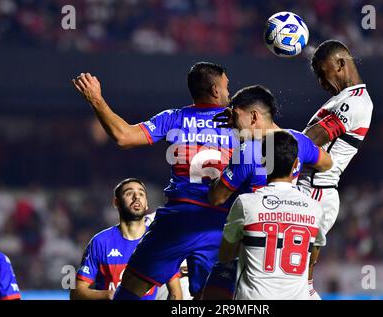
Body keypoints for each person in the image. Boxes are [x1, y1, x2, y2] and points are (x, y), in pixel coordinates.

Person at [72, 62, 238, 299]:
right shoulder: (236, 122)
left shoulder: (174, 118)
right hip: (218, 225)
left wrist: (96, 99)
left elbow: (123, 136)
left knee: (129, 290)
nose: (229, 93)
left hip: (177, 221)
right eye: (226, 86)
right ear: (214, 90)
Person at [203, 85, 332, 299]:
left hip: (249, 248)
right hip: (290, 252)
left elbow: (217, 197)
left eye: (235, 117)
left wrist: (216, 174)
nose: (233, 124)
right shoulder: (297, 142)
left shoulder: (249, 152)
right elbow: (327, 163)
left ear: (254, 116)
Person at [298, 40, 374, 299]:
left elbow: (308, 142)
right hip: (310, 190)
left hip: (314, 192)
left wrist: (263, 133)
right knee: (297, 284)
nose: (321, 81)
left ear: (340, 63)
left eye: (323, 72)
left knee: (291, 282)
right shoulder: (342, 100)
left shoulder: (354, 103)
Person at [218, 131, 323, 299]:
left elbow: (225, 255)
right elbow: (314, 253)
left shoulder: (246, 203)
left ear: (263, 162)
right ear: (296, 164)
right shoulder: (314, 208)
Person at [70, 178, 182, 300]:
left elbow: (175, 293)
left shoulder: (159, 241)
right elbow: (76, 293)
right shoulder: (100, 242)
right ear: (116, 202)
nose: (136, 197)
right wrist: (109, 295)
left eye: (141, 194)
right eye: (129, 193)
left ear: (146, 204)